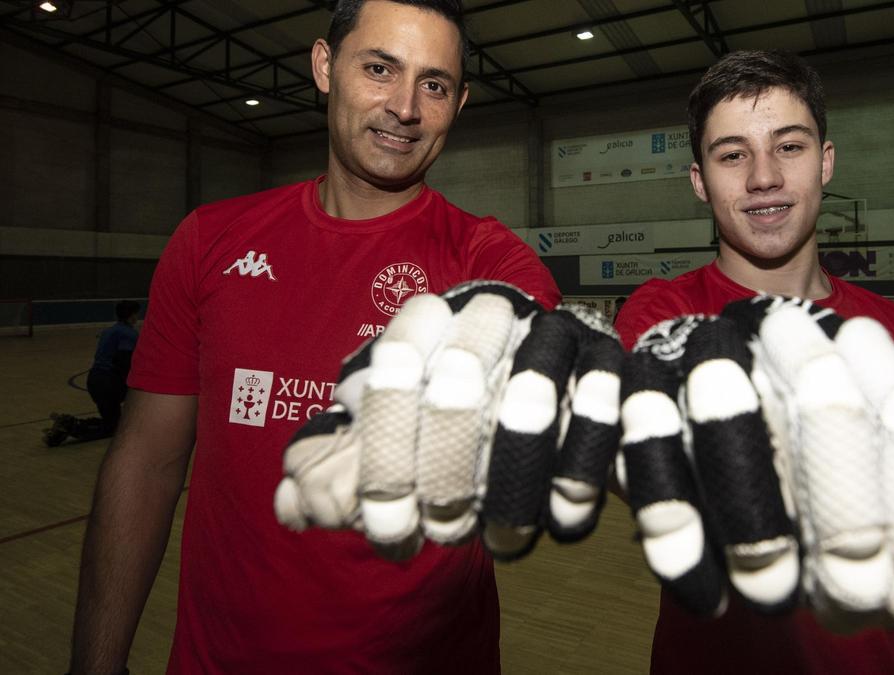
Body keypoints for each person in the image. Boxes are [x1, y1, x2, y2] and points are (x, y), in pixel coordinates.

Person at [69, 1, 558, 672]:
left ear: (459, 102)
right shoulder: (210, 242)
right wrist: (96, 661)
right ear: (325, 67)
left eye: (435, 84)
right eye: (380, 68)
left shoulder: (485, 257)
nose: (406, 107)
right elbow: (147, 461)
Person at [614, 50, 894, 675]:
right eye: (732, 154)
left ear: (825, 162)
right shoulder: (663, 313)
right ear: (699, 180)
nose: (763, 177)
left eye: (789, 147)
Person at [44, 300, 140, 446]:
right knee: (112, 427)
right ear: (132, 315)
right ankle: (71, 427)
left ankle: (73, 424)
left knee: (112, 420)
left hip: (95, 379)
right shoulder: (128, 334)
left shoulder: (109, 331)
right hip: (108, 382)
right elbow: (123, 360)